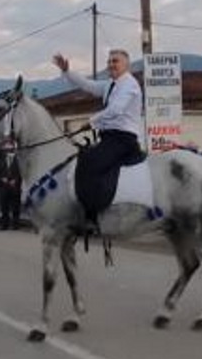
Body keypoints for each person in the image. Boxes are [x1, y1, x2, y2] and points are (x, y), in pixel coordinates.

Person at [52, 49, 144, 227]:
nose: (111, 64)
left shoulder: (129, 85)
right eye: (109, 61)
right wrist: (67, 71)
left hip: (123, 139)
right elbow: (88, 85)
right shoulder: (111, 84)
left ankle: (93, 213)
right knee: (85, 157)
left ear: (126, 65)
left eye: (115, 61)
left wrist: (91, 121)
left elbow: (116, 109)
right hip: (110, 138)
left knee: (89, 161)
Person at [0, 141, 22, 230]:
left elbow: (21, 171)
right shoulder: (0, 160)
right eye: (6, 149)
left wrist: (16, 180)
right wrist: (2, 178)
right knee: (4, 206)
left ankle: (16, 224)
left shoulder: (18, 159)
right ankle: (4, 224)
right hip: (4, 186)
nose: (7, 150)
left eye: (9, 148)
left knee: (15, 206)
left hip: (15, 186)